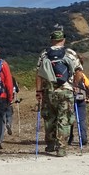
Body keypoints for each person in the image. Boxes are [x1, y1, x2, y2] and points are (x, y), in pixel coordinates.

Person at [35, 27, 82, 157]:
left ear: (51, 40)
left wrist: (38, 91)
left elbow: (38, 74)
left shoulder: (44, 54)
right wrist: (75, 85)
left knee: (50, 118)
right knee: (64, 119)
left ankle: (50, 145)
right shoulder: (71, 53)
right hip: (66, 90)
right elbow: (79, 72)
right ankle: (61, 148)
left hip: (48, 91)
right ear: (63, 39)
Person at [68, 58, 89, 146]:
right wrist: (87, 94)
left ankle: (69, 137)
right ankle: (83, 138)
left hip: (69, 97)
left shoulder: (67, 74)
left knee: (69, 118)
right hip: (81, 97)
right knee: (81, 119)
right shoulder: (81, 74)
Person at [0, 76, 20, 143]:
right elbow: (17, 90)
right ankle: (9, 123)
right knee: (9, 115)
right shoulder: (12, 79)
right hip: (9, 101)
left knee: (2, 121)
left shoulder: (0, 78)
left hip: (1, 101)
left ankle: (0, 139)